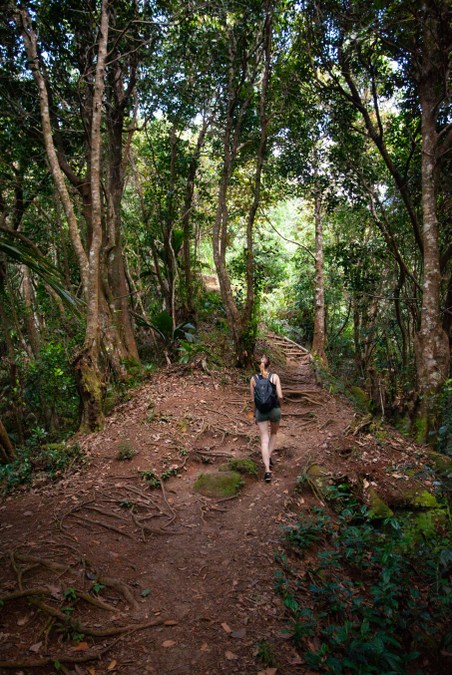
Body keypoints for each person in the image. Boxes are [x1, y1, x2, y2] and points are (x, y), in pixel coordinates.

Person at [250, 355, 283, 483]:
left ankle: (267, 470)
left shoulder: (253, 379)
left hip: (261, 412)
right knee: (273, 434)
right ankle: (268, 456)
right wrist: (281, 408)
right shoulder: (275, 377)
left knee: (264, 439)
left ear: (259, 365)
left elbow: (253, 400)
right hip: (274, 410)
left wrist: (254, 413)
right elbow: (280, 395)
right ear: (270, 365)